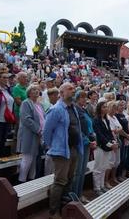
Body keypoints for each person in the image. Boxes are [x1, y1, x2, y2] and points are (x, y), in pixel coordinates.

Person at [43, 82, 83, 218]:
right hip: (61, 151)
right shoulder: (56, 109)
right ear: (61, 93)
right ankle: (53, 212)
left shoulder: (73, 108)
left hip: (73, 149)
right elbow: (46, 131)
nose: (73, 90)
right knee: (60, 181)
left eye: (73, 88)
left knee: (69, 179)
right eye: (69, 89)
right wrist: (52, 146)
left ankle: (64, 207)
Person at [18, 84, 45, 182]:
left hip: (39, 135)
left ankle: (31, 180)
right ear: (29, 93)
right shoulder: (26, 103)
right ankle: (21, 181)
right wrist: (38, 130)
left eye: (37, 89)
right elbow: (26, 119)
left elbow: (43, 119)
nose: (36, 91)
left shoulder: (40, 105)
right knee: (27, 159)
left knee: (34, 160)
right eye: (34, 89)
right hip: (29, 135)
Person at [92, 101, 118, 196]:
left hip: (107, 146)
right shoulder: (96, 120)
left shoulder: (106, 119)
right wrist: (109, 144)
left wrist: (113, 141)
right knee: (98, 167)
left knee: (104, 167)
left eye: (106, 107)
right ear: (99, 109)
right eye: (104, 107)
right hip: (100, 146)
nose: (106, 108)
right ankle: (97, 188)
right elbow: (99, 134)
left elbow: (109, 133)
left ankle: (102, 186)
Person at [0, 69, 14, 158]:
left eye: (7, 78)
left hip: (7, 121)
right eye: (4, 77)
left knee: (3, 142)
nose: (6, 79)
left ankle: (0, 163)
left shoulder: (8, 90)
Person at [12, 71, 28, 152]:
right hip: (19, 113)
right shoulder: (16, 88)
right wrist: (29, 106)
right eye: (24, 77)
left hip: (26, 113)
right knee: (18, 132)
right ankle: (15, 151)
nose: (26, 79)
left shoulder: (26, 88)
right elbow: (18, 101)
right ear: (19, 78)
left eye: (26, 77)